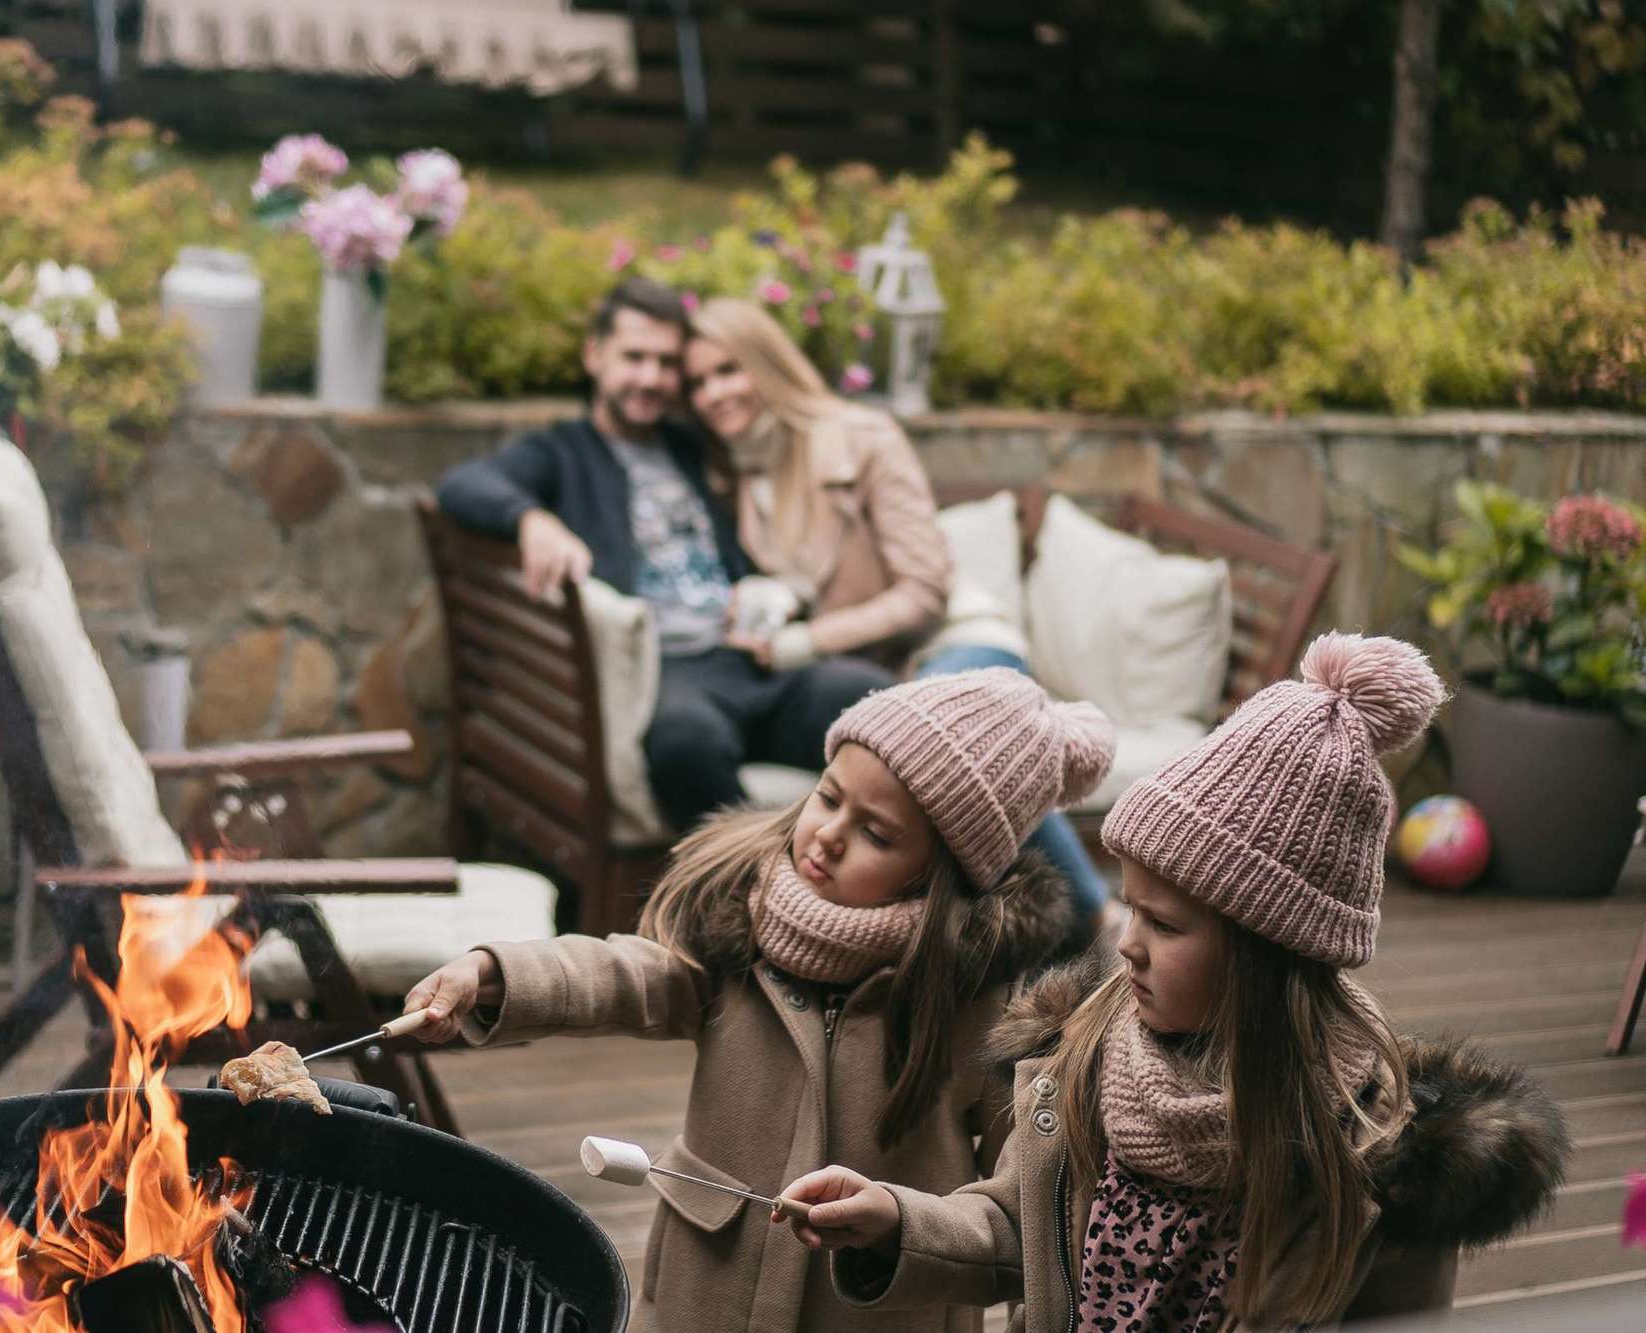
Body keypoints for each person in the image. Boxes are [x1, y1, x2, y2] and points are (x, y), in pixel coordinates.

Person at [777, 634, 1570, 1331]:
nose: (1126, 944)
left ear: (1267, 952)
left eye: (1164, 924)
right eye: (1132, 909)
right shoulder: (1086, 1060)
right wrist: (896, 1221)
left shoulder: (1376, 1163)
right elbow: (1017, 1228)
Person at [401, 670, 1116, 1332]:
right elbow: (629, 972)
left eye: (876, 833)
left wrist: (901, 1223)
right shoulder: (743, 923)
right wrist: (493, 975)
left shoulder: (989, 1009)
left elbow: (1015, 1218)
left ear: (941, 875)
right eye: (828, 796)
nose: (829, 836)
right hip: (700, 1298)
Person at [684, 296, 1113, 929]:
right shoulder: (741, 475)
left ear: (767, 362)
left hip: (956, 643)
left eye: (727, 370)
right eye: (697, 382)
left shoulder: (862, 437)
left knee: (946, 752)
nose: (712, 393)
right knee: (907, 761)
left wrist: (806, 641)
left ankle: (1096, 919)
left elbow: (924, 590)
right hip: (882, 676)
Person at [435, 278, 891, 831]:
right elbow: (463, 483)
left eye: (666, 363)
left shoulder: (693, 447)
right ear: (594, 354)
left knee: (879, 703)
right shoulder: (562, 454)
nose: (650, 378)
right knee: (686, 743)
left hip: (748, 656)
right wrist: (531, 519)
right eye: (634, 358)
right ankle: (753, 892)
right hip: (664, 673)